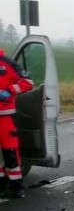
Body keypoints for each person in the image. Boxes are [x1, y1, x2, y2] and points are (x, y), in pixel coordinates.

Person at [0, 48, 33, 199]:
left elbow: (28, 82)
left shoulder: (8, 64)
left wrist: (10, 90)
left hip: (6, 118)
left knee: (10, 152)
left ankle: (16, 187)